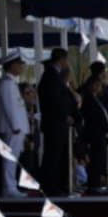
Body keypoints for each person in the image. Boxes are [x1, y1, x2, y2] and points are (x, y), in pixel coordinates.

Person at [36, 48, 77, 195]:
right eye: (66, 60)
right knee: (53, 156)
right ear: (61, 60)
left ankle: (58, 185)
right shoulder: (51, 76)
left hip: (58, 124)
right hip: (54, 123)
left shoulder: (54, 76)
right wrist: (64, 115)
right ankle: (50, 187)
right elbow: (54, 101)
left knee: (58, 155)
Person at [0, 53, 31, 197]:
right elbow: (9, 107)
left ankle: (11, 186)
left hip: (15, 128)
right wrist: (15, 126)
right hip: (12, 128)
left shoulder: (10, 83)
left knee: (13, 158)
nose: (21, 67)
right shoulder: (6, 84)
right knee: (9, 158)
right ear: (12, 65)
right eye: (19, 64)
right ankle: (8, 187)